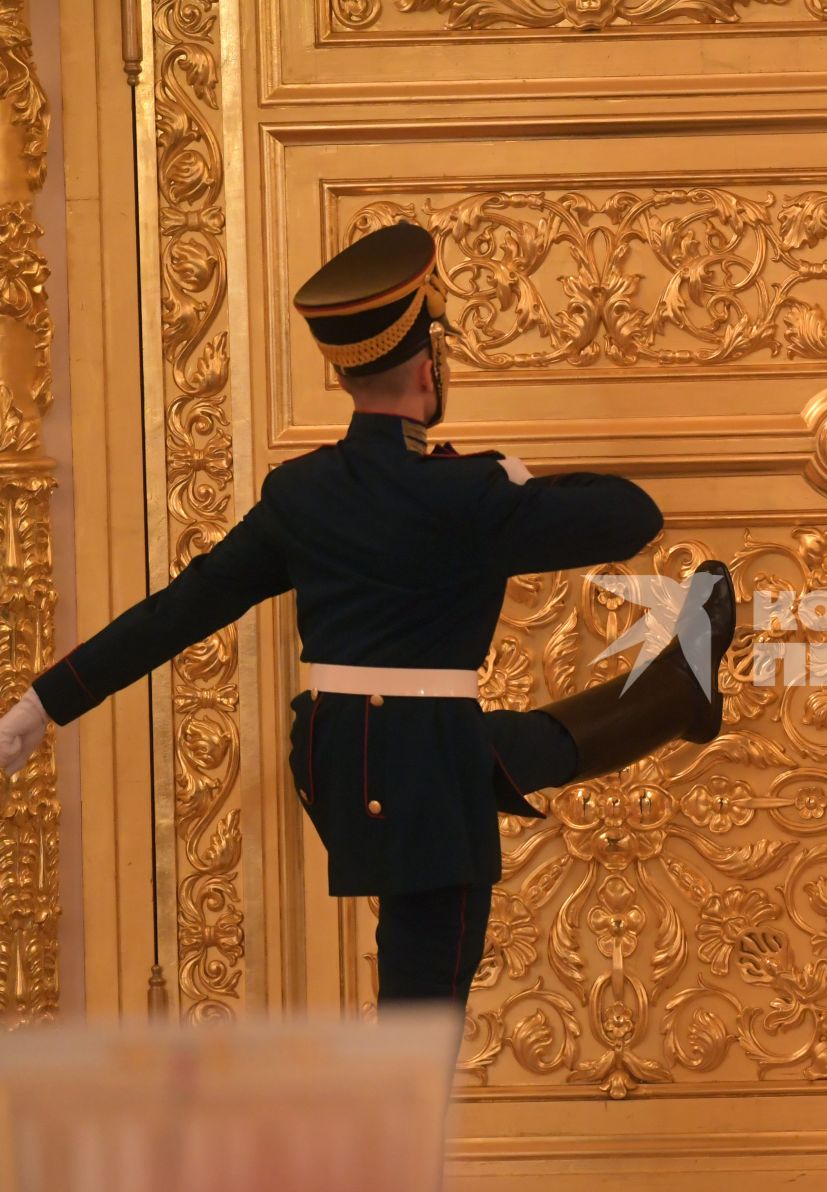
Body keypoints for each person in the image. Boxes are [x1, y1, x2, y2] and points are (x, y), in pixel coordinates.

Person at [0, 223, 736, 1009]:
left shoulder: (302, 494)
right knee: (423, 1013)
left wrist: (40, 706)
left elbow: (180, 610)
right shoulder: (470, 496)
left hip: (336, 752)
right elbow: (633, 514)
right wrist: (512, 479)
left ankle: (678, 695)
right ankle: (397, 1131)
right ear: (431, 365)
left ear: (345, 373)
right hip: (419, 768)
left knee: (504, 751)